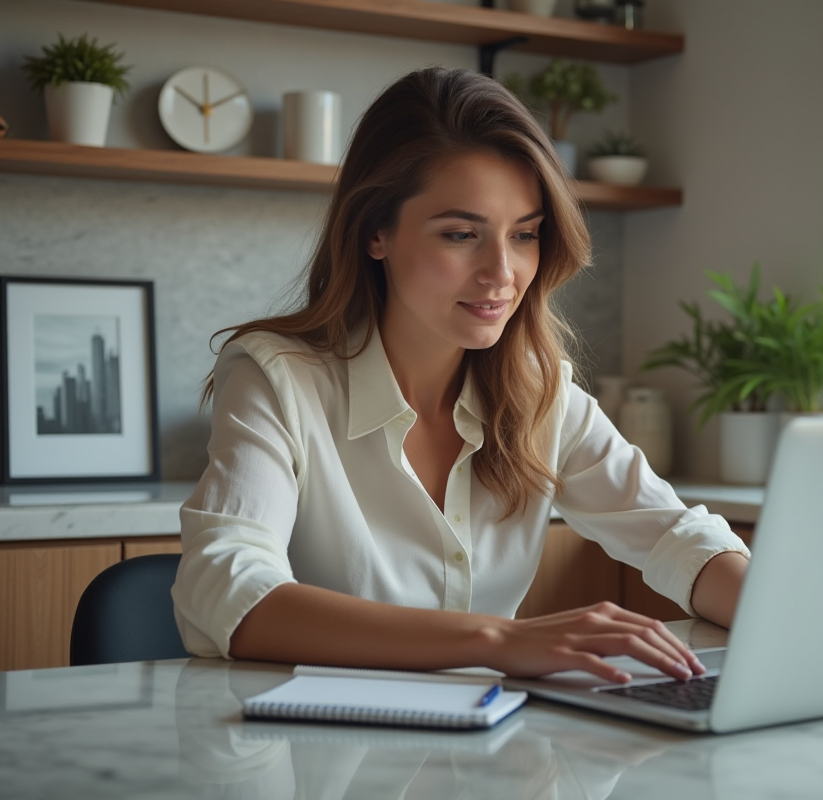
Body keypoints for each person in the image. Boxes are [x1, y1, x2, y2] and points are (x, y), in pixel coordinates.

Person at [173, 67, 751, 685]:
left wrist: (801, 621)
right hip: (322, 761)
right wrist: (497, 639)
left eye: (525, 234)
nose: (502, 272)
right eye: (460, 234)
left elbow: (678, 539)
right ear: (376, 231)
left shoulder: (540, 391)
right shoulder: (277, 376)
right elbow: (228, 588)